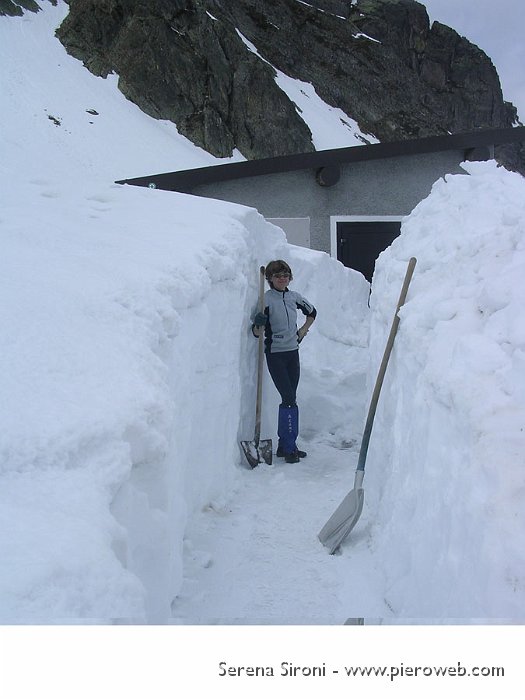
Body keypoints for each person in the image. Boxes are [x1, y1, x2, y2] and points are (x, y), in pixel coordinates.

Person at [252, 260, 317, 463]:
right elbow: (256, 333)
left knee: (291, 398)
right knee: (288, 398)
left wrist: (301, 333)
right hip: (276, 354)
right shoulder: (266, 300)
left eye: (285, 275)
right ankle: (289, 448)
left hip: (293, 353)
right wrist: (259, 323)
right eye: (278, 276)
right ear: (270, 279)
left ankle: (285, 445)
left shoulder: (294, 297)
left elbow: (312, 312)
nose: (282, 279)